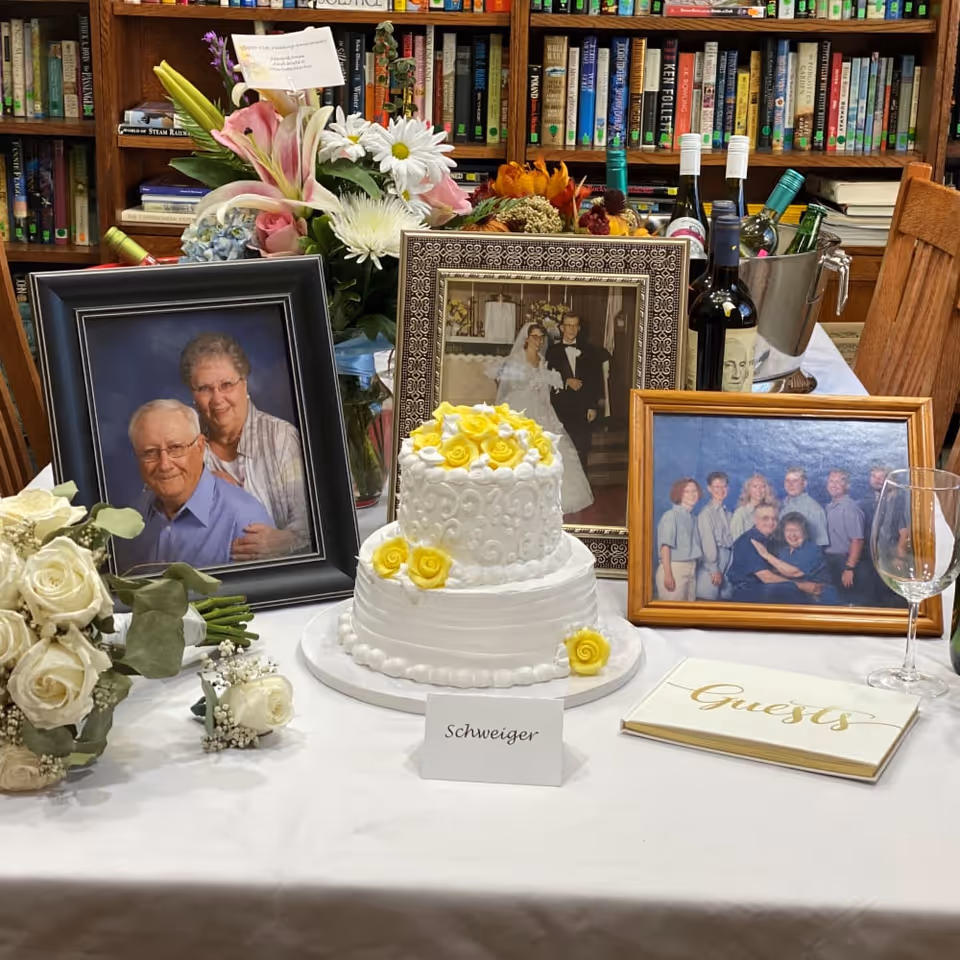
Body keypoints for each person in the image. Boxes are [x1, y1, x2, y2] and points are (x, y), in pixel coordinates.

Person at [179, 332, 309, 561]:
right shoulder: (185, 449)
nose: (217, 399)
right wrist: (206, 483)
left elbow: (310, 522)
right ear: (193, 395)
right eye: (205, 389)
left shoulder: (280, 437)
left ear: (244, 384)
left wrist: (282, 542)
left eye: (226, 385)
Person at [120, 399, 273, 572]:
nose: (164, 465)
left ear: (200, 447)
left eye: (176, 448)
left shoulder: (245, 522)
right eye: (150, 452)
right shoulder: (132, 514)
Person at [490, 322, 593, 514]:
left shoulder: (542, 359)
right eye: (535, 337)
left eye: (541, 337)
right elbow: (505, 390)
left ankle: (548, 499)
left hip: (542, 409)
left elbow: (546, 390)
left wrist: (547, 400)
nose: (538, 341)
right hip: (520, 409)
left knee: (552, 449)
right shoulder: (515, 361)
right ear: (527, 339)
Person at [545, 314, 610, 474]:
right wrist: (566, 381)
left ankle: (581, 485)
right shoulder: (552, 351)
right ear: (561, 328)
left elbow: (596, 381)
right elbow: (546, 377)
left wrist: (592, 406)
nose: (572, 329)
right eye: (568, 325)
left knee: (582, 447)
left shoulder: (590, 351)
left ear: (579, 328)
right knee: (560, 447)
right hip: (561, 406)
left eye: (575, 325)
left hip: (583, 406)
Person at [728, 503, 825, 604]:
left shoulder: (769, 541)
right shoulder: (749, 541)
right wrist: (802, 586)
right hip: (746, 591)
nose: (771, 522)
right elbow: (766, 577)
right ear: (755, 520)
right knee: (792, 590)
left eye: (774, 519)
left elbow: (789, 571)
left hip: (760, 587)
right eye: (765, 518)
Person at [750, 512, 840, 605]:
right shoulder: (783, 550)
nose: (792, 535)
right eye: (788, 530)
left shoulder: (812, 549)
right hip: (799, 596)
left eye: (796, 530)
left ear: (804, 532)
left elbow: (794, 572)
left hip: (821, 598)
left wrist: (766, 555)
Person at [857, 464, 907, 607]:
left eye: (882, 476)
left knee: (889, 597)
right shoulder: (869, 502)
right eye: (874, 476)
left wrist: (899, 558)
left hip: (891, 557)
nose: (877, 480)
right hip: (872, 557)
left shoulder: (900, 501)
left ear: (893, 479)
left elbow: (905, 532)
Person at [655, 478, 702, 601]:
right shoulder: (671, 516)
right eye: (686, 491)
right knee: (671, 615)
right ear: (678, 494)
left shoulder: (693, 518)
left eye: (694, 491)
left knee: (688, 615)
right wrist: (668, 575)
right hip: (675, 568)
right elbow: (665, 547)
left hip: (691, 568)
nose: (692, 495)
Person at [824, 469, 865, 602]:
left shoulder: (850, 508)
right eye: (831, 481)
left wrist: (849, 568)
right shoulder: (829, 507)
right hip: (830, 561)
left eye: (838, 481)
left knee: (845, 600)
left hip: (844, 562)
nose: (833, 485)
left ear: (847, 486)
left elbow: (857, 540)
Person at [696, 471, 734, 600]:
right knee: (707, 603)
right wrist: (713, 569)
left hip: (726, 567)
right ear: (709, 489)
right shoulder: (705, 514)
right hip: (712, 568)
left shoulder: (728, 513)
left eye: (724, 486)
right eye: (717, 487)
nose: (721, 490)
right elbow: (708, 544)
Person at [780, 466, 828, 546]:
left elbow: (820, 544)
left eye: (795, 481)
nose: (790, 484)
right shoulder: (781, 505)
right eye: (787, 481)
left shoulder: (814, 509)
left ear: (804, 483)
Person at [730, 473, 779, 540]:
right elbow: (737, 541)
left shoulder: (772, 512)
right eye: (755, 486)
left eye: (762, 487)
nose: (759, 490)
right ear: (748, 489)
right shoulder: (740, 514)